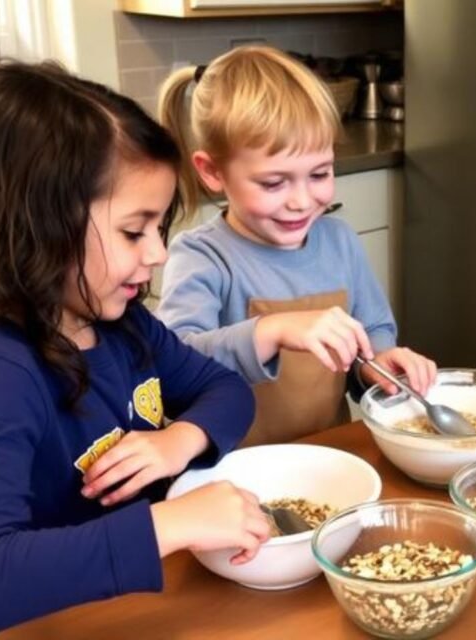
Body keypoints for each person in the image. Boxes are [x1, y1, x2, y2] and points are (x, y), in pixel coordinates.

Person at [0, 61, 270, 636]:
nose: (160, 254)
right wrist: (171, 523)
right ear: (39, 226)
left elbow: (225, 388)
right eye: (134, 231)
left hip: (152, 606)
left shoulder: (123, 324)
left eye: (160, 229)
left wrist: (177, 441)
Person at [156, 46, 436, 445]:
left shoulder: (340, 242)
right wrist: (274, 330)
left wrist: (377, 365)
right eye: (273, 183)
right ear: (213, 171)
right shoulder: (203, 257)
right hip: (236, 475)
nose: (302, 201)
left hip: (330, 459)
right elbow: (175, 365)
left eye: (320, 173)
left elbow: (372, 330)